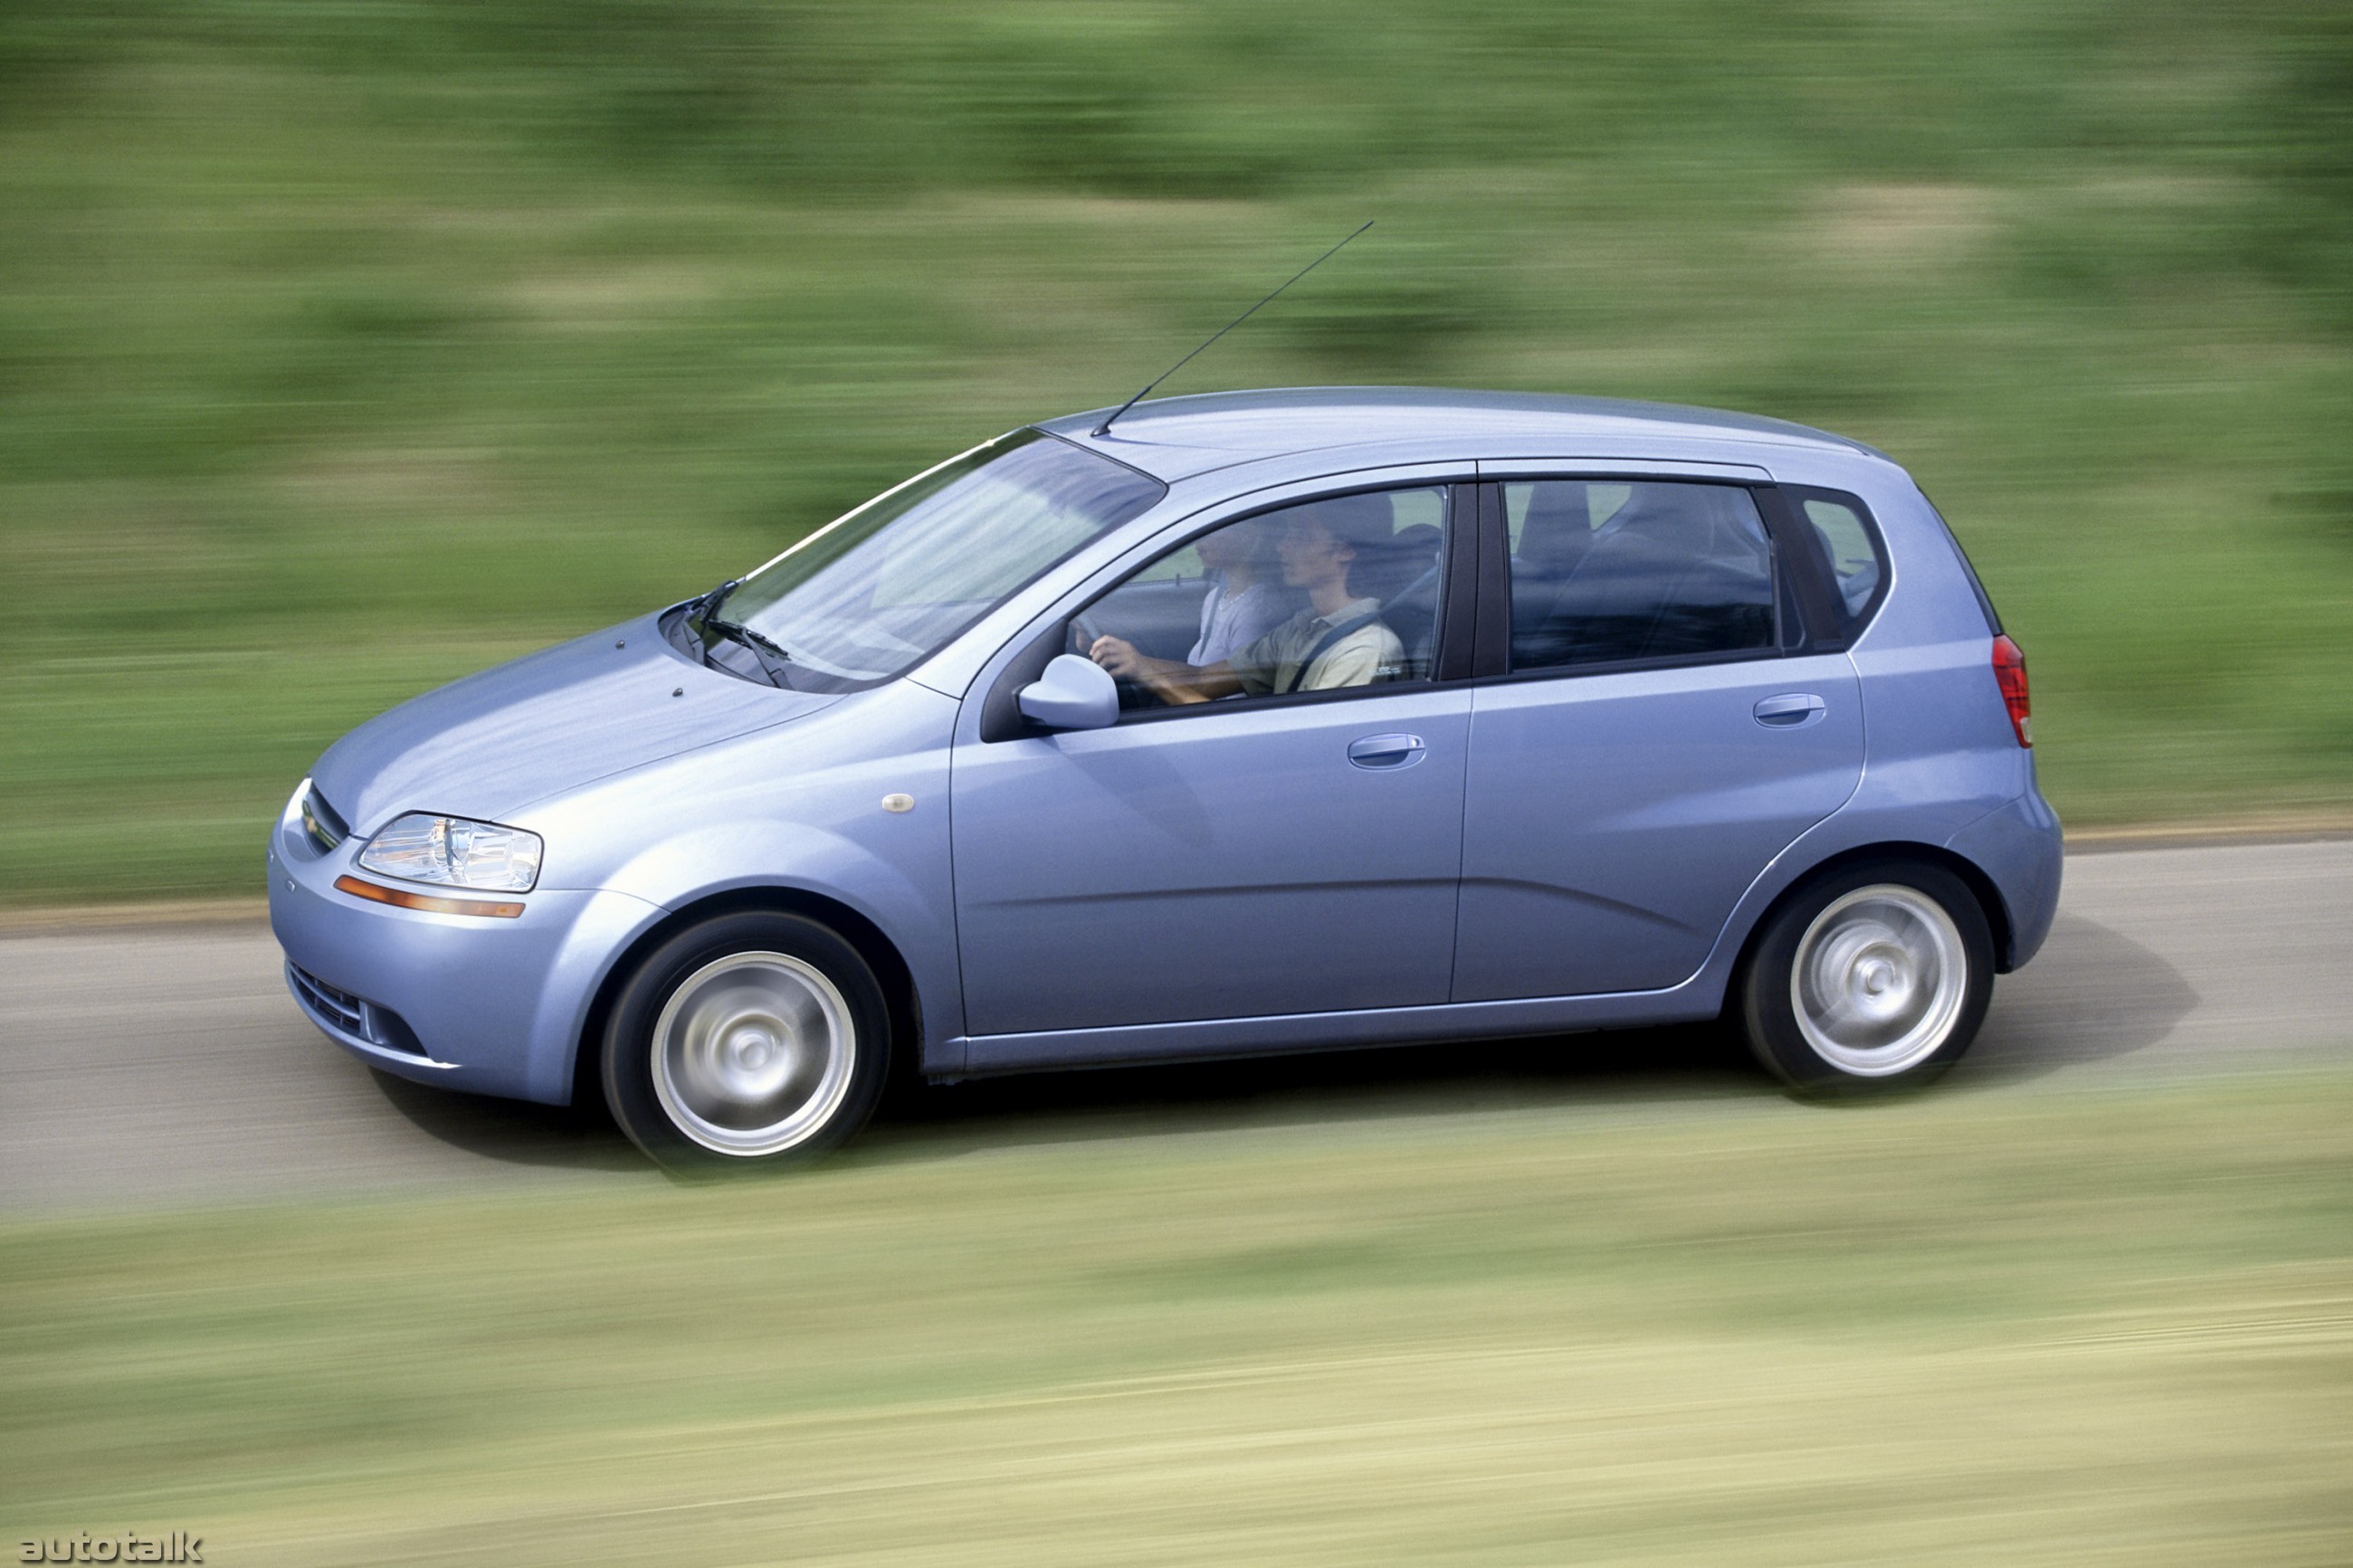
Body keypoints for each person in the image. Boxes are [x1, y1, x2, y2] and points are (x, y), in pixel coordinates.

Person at [1091, 495, 1405, 705]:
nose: (1282, 547)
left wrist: (1145, 672)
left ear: (1345, 550)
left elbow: (1305, 754)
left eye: (1301, 535)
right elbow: (1203, 679)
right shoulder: (1301, 628)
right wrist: (1132, 661)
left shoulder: (1364, 651)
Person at [1186, 514, 1289, 668]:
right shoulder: (1215, 598)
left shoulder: (1258, 610)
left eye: (1211, 533)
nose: (1199, 545)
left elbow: (1241, 683)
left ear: (1247, 534)